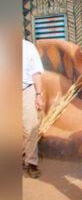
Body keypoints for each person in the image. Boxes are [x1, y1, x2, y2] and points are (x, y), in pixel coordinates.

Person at [22, 39, 45, 178]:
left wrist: (38, 95)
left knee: (30, 127)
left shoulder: (28, 47)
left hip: (26, 90)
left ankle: (31, 163)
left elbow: (36, 73)